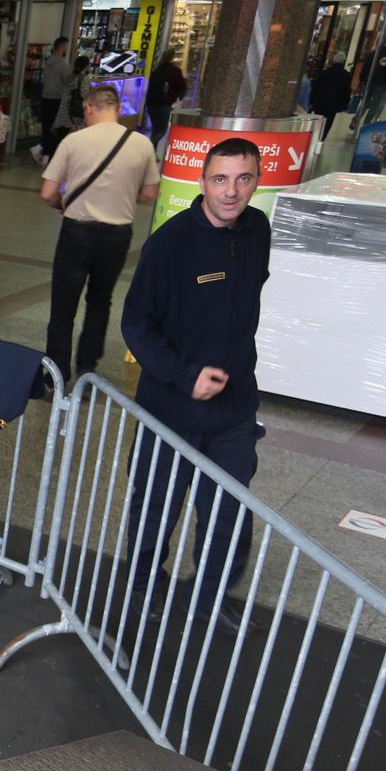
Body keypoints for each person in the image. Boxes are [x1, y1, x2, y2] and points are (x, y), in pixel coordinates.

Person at [120, 138, 271, 634]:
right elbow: (136, 324)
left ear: (256, 181)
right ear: (202, 182)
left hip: (233, 412)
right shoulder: (170, 243)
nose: (231, 191)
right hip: (170, 408)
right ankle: (142, 585)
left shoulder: (258, 230)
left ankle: (210, 595)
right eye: (220, 179)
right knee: (156, 506)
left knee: (229, 511)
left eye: (243, 178)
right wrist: (186, 375)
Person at [38, 84, 160, 382]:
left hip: (76, 232)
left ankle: (55, 374)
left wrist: (62, 205)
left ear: (90, 107)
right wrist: (122, 194)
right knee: (100, 301)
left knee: (63, 305)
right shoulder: (142, 144)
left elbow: (48, 192)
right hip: (117, 236)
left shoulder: (74, 140)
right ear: (117, 109)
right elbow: (150, 193)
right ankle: (87, 368)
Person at [33, 37, 72, 166]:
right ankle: (49, 153)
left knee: (46, 126)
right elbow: (68, 81)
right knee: (56, 127)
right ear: (62, 46)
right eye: (66, 46)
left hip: (45, 97)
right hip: (56, 98)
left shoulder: (48, 61)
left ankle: (44, 152)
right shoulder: (62, 63)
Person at [50, 54, 93, 153]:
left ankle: (53, 156)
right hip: (74, 111)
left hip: (65, 109)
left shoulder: (71, 77)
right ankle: (59, 156)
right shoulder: (84, 78)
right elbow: (84, 94)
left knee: (60, 135)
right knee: (68, 137)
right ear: (86, 66)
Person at [146, 49, 187, 144]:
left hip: (152, 103)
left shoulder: (157, 70)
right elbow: (182, 86)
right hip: (164, 104)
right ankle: (149, 147)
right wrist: (178, 97)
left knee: (155, 128)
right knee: (161, 130)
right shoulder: (175, 71)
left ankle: (151, 148)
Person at [309, 53, 353, 139]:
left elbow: (316, 87)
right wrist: (345, 103)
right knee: (328, 122)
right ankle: (321, 139)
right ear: (343, 62)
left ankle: (315, 137)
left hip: (320, 102)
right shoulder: (345, 75)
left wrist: (311, 101)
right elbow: (347, 90)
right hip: (333, 104)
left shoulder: (325, 72)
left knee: (318, 121)